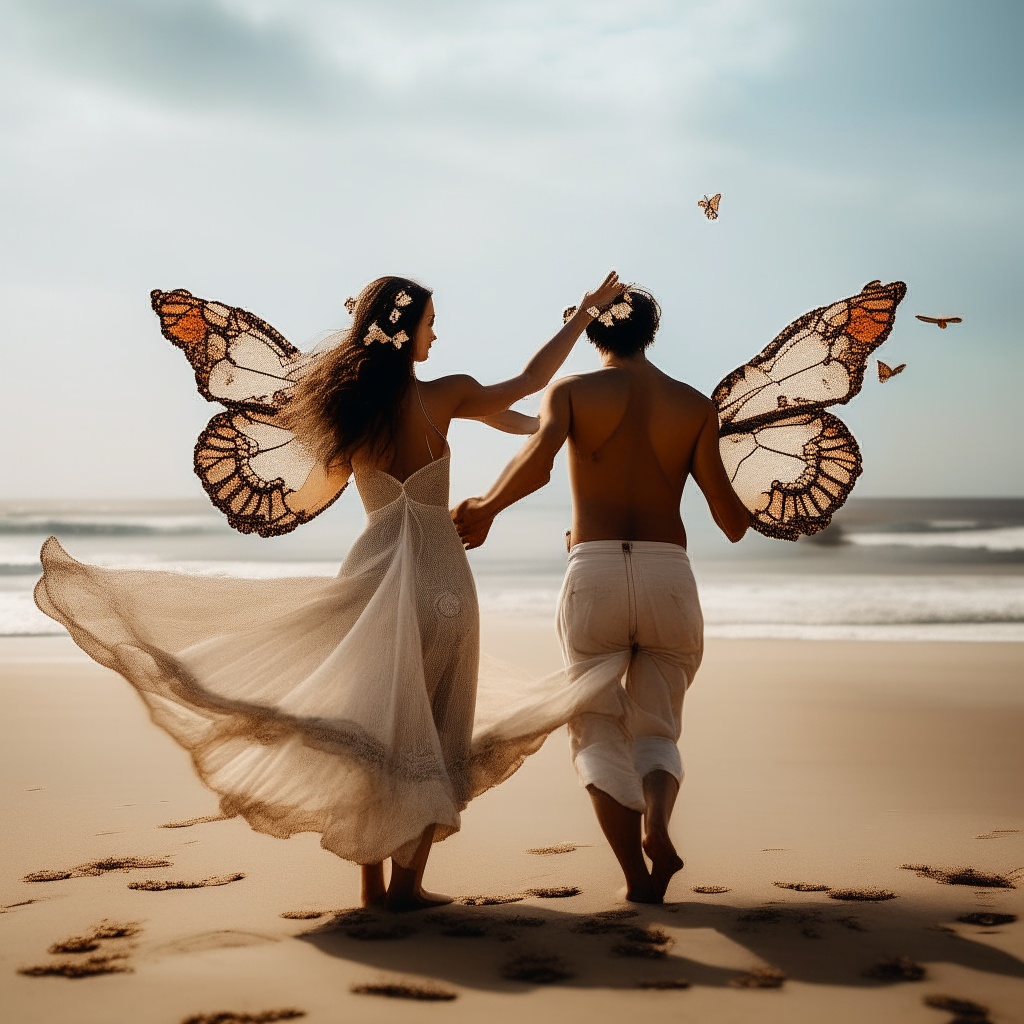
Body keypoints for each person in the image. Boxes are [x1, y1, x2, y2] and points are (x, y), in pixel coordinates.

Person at [34, 270, 626, 912]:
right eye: (431, 320)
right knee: (438, 722)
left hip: (371, 575)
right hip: (439, 577)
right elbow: (528, 386)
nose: (436, 331)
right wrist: (584, 317)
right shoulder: (444, 396)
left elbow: (514, 415)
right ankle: (408, 887)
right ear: (405, 331)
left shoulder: (350, 409)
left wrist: (534, 427)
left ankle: (372, 886)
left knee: (370, 728)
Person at [454, 285, 750, 903]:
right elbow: (731, 519)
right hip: (668, 571)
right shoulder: (694, 405)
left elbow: (537, 460)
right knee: (658, 728)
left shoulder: (573, 392)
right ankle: (659, 827)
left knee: (593, 725)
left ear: (594, 335)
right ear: (650, 333)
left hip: (594, 571)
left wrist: (486, 506)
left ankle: (636, 881)